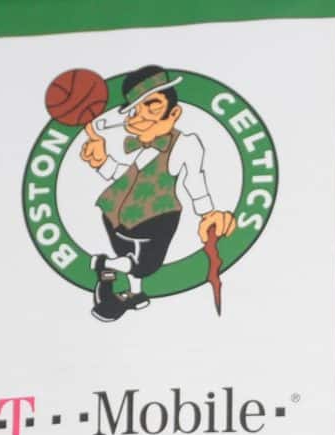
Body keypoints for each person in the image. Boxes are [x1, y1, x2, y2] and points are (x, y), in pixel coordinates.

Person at [77, 66, 236, 322]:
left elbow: (194, 180)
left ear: (174, 113)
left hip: (155, 216)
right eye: (136, 110)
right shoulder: (142, 148)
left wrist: (208, 213)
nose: (142, 117)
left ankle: (106, 267)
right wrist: (101, 160)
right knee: (134, 261)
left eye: (152, 106)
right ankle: (133, 292)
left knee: (145, 265)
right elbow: (123, 175)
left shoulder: (185, 144)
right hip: (113, 213)